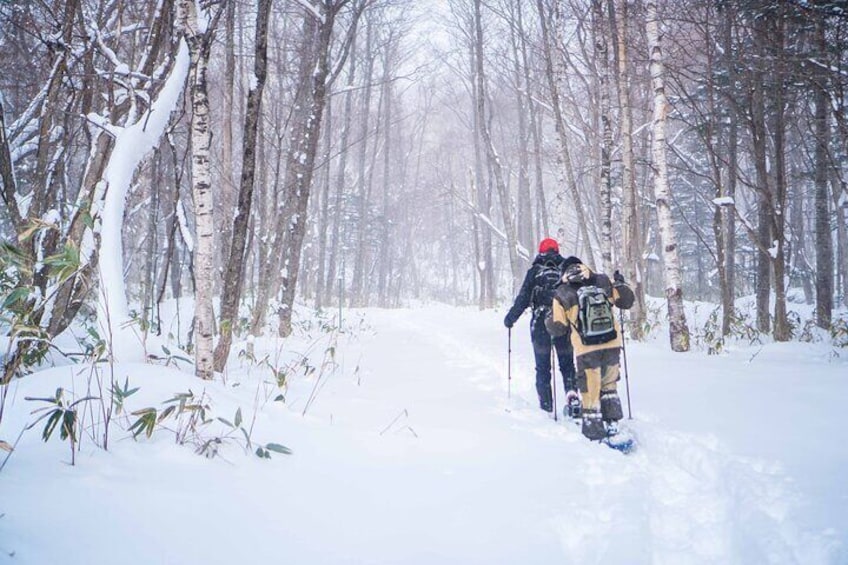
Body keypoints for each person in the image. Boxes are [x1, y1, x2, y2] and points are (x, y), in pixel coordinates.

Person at [546, 261, 634, 440]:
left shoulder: (562, 292)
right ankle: (612, 424)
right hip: (612, 343)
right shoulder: (602, 280)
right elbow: (627, 302)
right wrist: (620, 284)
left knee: (590, 388)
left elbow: (558, 328)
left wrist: (549, 318)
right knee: (609, 385)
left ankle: (594, 431)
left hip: (586, 348)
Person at [503, 238, 580, 413]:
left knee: (543, 366)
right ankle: (572, 395)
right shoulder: (565, 271)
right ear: (557, 251)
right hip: (562, 323)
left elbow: (523, 299)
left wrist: (510, 319)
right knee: (567, 364)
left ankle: (546, 406)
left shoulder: (534, 272)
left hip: (540, 325)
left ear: (541, 251)